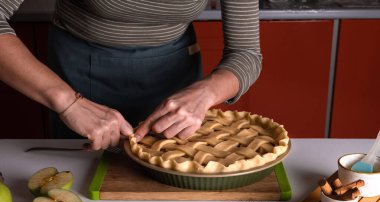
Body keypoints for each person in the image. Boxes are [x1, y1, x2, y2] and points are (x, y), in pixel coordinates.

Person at [0, 0, 262, 151]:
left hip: (176, 75)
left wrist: (206, 93)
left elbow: (246, 52)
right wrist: (65, 100)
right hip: (79, 75)